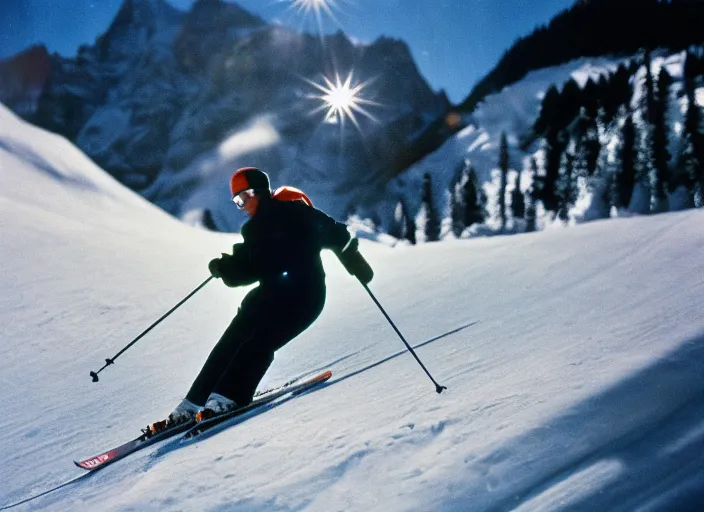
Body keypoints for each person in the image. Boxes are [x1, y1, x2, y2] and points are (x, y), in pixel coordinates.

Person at [167, 167, 373, 425]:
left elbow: (337, 234)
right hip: (268, 297)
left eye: (243, 199)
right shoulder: (253, 231)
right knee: (232, 338)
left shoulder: (296, 213)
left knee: (260, 339)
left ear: (259, 192)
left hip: (304, 297)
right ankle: (195, 402)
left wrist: (356, 264)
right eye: (236, 202)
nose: (241, 207)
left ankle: (229, 396)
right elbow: (247, 269)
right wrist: (225, 268)